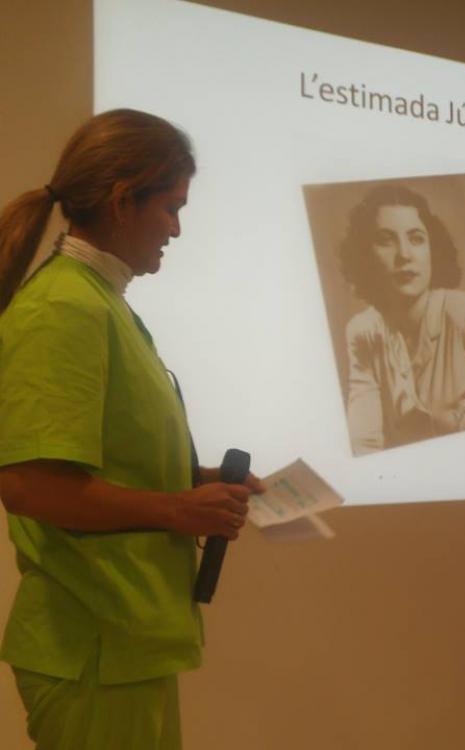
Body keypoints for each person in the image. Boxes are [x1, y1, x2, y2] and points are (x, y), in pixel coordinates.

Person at [0, 109, 263, 749]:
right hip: (92, 644)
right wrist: (178, 509)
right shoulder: (64, 308)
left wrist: (196, 481)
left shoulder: (99, 302)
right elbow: (30, 486)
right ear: (122, 203)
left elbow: (101, 459)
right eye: (171, 207)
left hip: (125, 640)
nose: (177, 228)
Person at [338, 183, 465, 455]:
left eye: (416, 239)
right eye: (386, 240)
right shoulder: (363, 332)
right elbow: (363, 441)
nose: (404, 255)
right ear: (364, 255)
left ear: (433, 249)